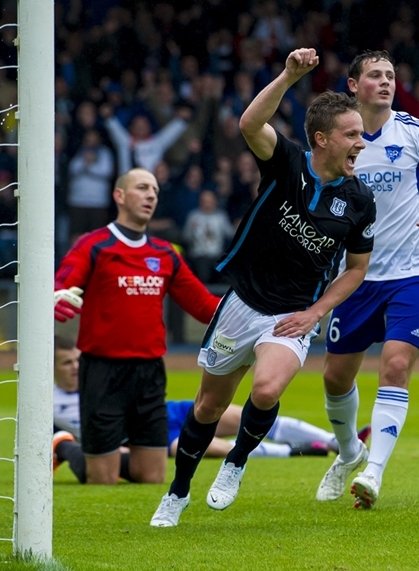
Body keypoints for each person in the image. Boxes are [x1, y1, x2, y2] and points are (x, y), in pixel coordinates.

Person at [150, 48, 377, 527]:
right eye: (352, 134)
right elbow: (250, 125)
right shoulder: (288, 162)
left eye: (363, 134)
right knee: (209, 405)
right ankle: (177, 492)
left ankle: (235, 463)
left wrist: (316, 313)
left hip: (292, 313)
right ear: (322, 139)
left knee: (268, 388)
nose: (362, 142)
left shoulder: (359, 200)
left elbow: (356, 269)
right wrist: (289, 76)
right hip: (243, 303)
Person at [316, 50, 419, 510]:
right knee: (334, 377)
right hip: (358, 274)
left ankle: (374, 473)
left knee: (395, 367)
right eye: (374, 75)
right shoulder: (340, 141)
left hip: (415, 271)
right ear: (353, 85)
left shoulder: (417, 131)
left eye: (390, 75)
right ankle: (350, 452)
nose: (385, 82)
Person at [53, 168, 221, 488]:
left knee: (152, 476)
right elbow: (66, 280)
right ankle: (66, 446)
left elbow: (204, 307)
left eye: (155, 191)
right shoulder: (94, 245)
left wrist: (252, 311)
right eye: (142, 188)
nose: (150, 196)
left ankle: (83, 451)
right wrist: (59, 294)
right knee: (102, 480)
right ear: (119, 196)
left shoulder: (165, 253)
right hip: (103, 372)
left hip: (149, 373)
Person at [50, 337, 369, 484]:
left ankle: (335, 441)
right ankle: (294, 451)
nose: (77, 367)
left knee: (244, 414)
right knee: (214, 447)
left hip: (164, 413)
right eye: (67, 363)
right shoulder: (48, 404)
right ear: (51, 368)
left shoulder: (98, 382)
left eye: (78, 360)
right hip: (147, 440)